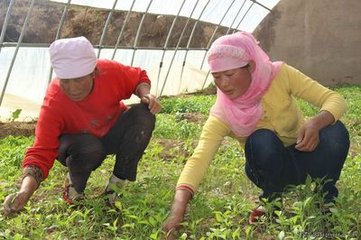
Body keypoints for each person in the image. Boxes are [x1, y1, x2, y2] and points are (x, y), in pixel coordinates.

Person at [162, 31, 349, 236]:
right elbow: (199, 158)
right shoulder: (223, 113)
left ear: (250, 66)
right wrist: (177, 210)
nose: (223, 84)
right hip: (269, 169)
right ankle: (272, 202)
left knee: (335, 131)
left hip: (306, 152)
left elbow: (334, 99)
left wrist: (315, 122)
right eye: (217, 77)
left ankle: (325, 198)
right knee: (261, 140)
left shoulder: (280, 75)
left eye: (230, 75)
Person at [3, 36, 161, 215]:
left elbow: (138, 77)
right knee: (89, 147)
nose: (72, 88)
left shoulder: (109, 72)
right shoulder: (55, 100)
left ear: (94, 72)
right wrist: (25, 192)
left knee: (143, 115)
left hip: (110, 131)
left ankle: (115, 189)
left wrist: (146, 95)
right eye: (65, 80)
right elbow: (41, 151)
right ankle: (74, 188)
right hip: (77, 145)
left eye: (78, 79)